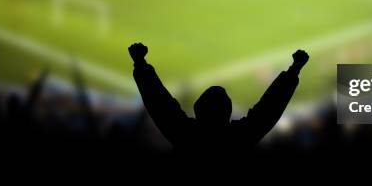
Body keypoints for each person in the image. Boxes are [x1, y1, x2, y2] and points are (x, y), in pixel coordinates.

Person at [128, 43, 309, 152]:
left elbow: (160, 105)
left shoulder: (186, 136)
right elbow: (269, 109)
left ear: (198, 109)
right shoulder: (239, 138)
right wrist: (295, 69)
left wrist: (140, 63)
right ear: (228, 111)